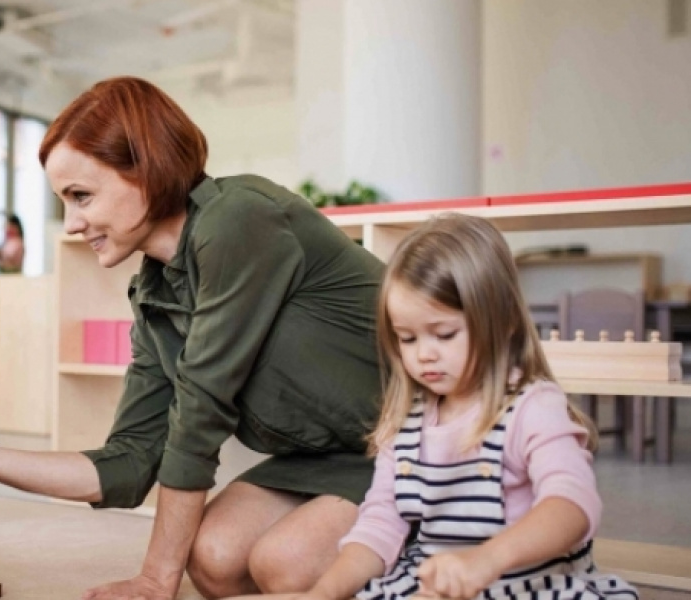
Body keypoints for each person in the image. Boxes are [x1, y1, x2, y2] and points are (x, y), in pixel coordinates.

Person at [0, 76, 387, 599]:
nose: (72, 223)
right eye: (64, 203)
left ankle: (462, 528)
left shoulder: (239, 219)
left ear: (146, 168)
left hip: (419, 444)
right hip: (330, 459)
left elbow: (200, 417)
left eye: (82, 196)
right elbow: (128, 463)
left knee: (287, 566)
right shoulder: (154, 295)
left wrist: (154, 580)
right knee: (212, 559)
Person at [231, 214, 636, 600]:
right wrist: (325, 592)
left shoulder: (533, 407)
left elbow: (572, 506)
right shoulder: (406, 421)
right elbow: (379, 525)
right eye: (407, 339)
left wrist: (486, 560)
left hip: (530, 587)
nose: (424, 354)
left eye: (443, 334)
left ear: (504, 322)